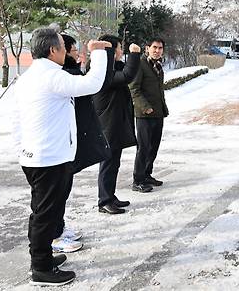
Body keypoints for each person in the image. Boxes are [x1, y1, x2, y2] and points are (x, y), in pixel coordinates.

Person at [13, 27, 110, 286]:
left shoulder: (31, 76)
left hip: (38, 156)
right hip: (48, 158)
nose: (66, 51)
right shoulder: (50, 76)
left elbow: (17, 121)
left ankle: (42, 257)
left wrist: (22, 149)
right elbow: (92, 84)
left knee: (44, 211)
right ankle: (41, 268)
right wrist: (98, 53)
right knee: (45, 214)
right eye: (63, 47)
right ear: (53, 50)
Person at [52, 34, 112, 245]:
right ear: (61, 51)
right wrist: (99, 52)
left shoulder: (66, 72)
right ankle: (54, 235)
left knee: (62, 191)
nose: (77, 53)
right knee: (55, 195)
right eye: (74, 49)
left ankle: (57, 228)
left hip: (67, 142)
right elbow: (94, 83)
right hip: (59, 145)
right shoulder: (63, 75)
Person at [93, 35, 142, 213]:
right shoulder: (101, 71)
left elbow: (127, 70)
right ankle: (104, 201)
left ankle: (110, 196)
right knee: (107, 164)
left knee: (114, 163)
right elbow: (127, 76)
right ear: (111, 51)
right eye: (119, 48)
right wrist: (135, 55)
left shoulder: (112, 66)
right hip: (107, 124)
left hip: (115, 123)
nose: (122, 51)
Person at [129, 37, 169, 193]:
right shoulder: (140, 64)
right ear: (147, 48)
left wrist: (162, 109)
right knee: (144, 148)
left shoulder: (158, 66)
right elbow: (134, 89)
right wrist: (145, 107)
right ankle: (138, 180)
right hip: (144, 114)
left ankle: (147, 174)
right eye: (154, 47)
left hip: (158, 113)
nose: (157, 51)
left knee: (154, 147)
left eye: (160, 48)